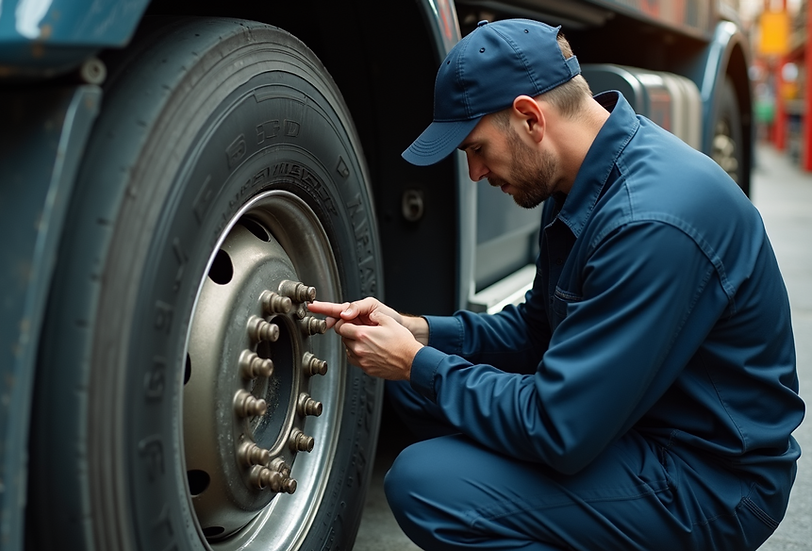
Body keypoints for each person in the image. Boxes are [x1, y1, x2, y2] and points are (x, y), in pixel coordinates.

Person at [308, 18, 804, 551]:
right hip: (643, 425)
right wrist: (422, 333)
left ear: (528, 117)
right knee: (418, 398)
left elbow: (559, 429)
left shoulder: (649, 222)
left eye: (476, 148)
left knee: (428, 485)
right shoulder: (582, 181)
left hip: (712, 481)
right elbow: (537, 332)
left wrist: (415, 363)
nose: (474, 174)